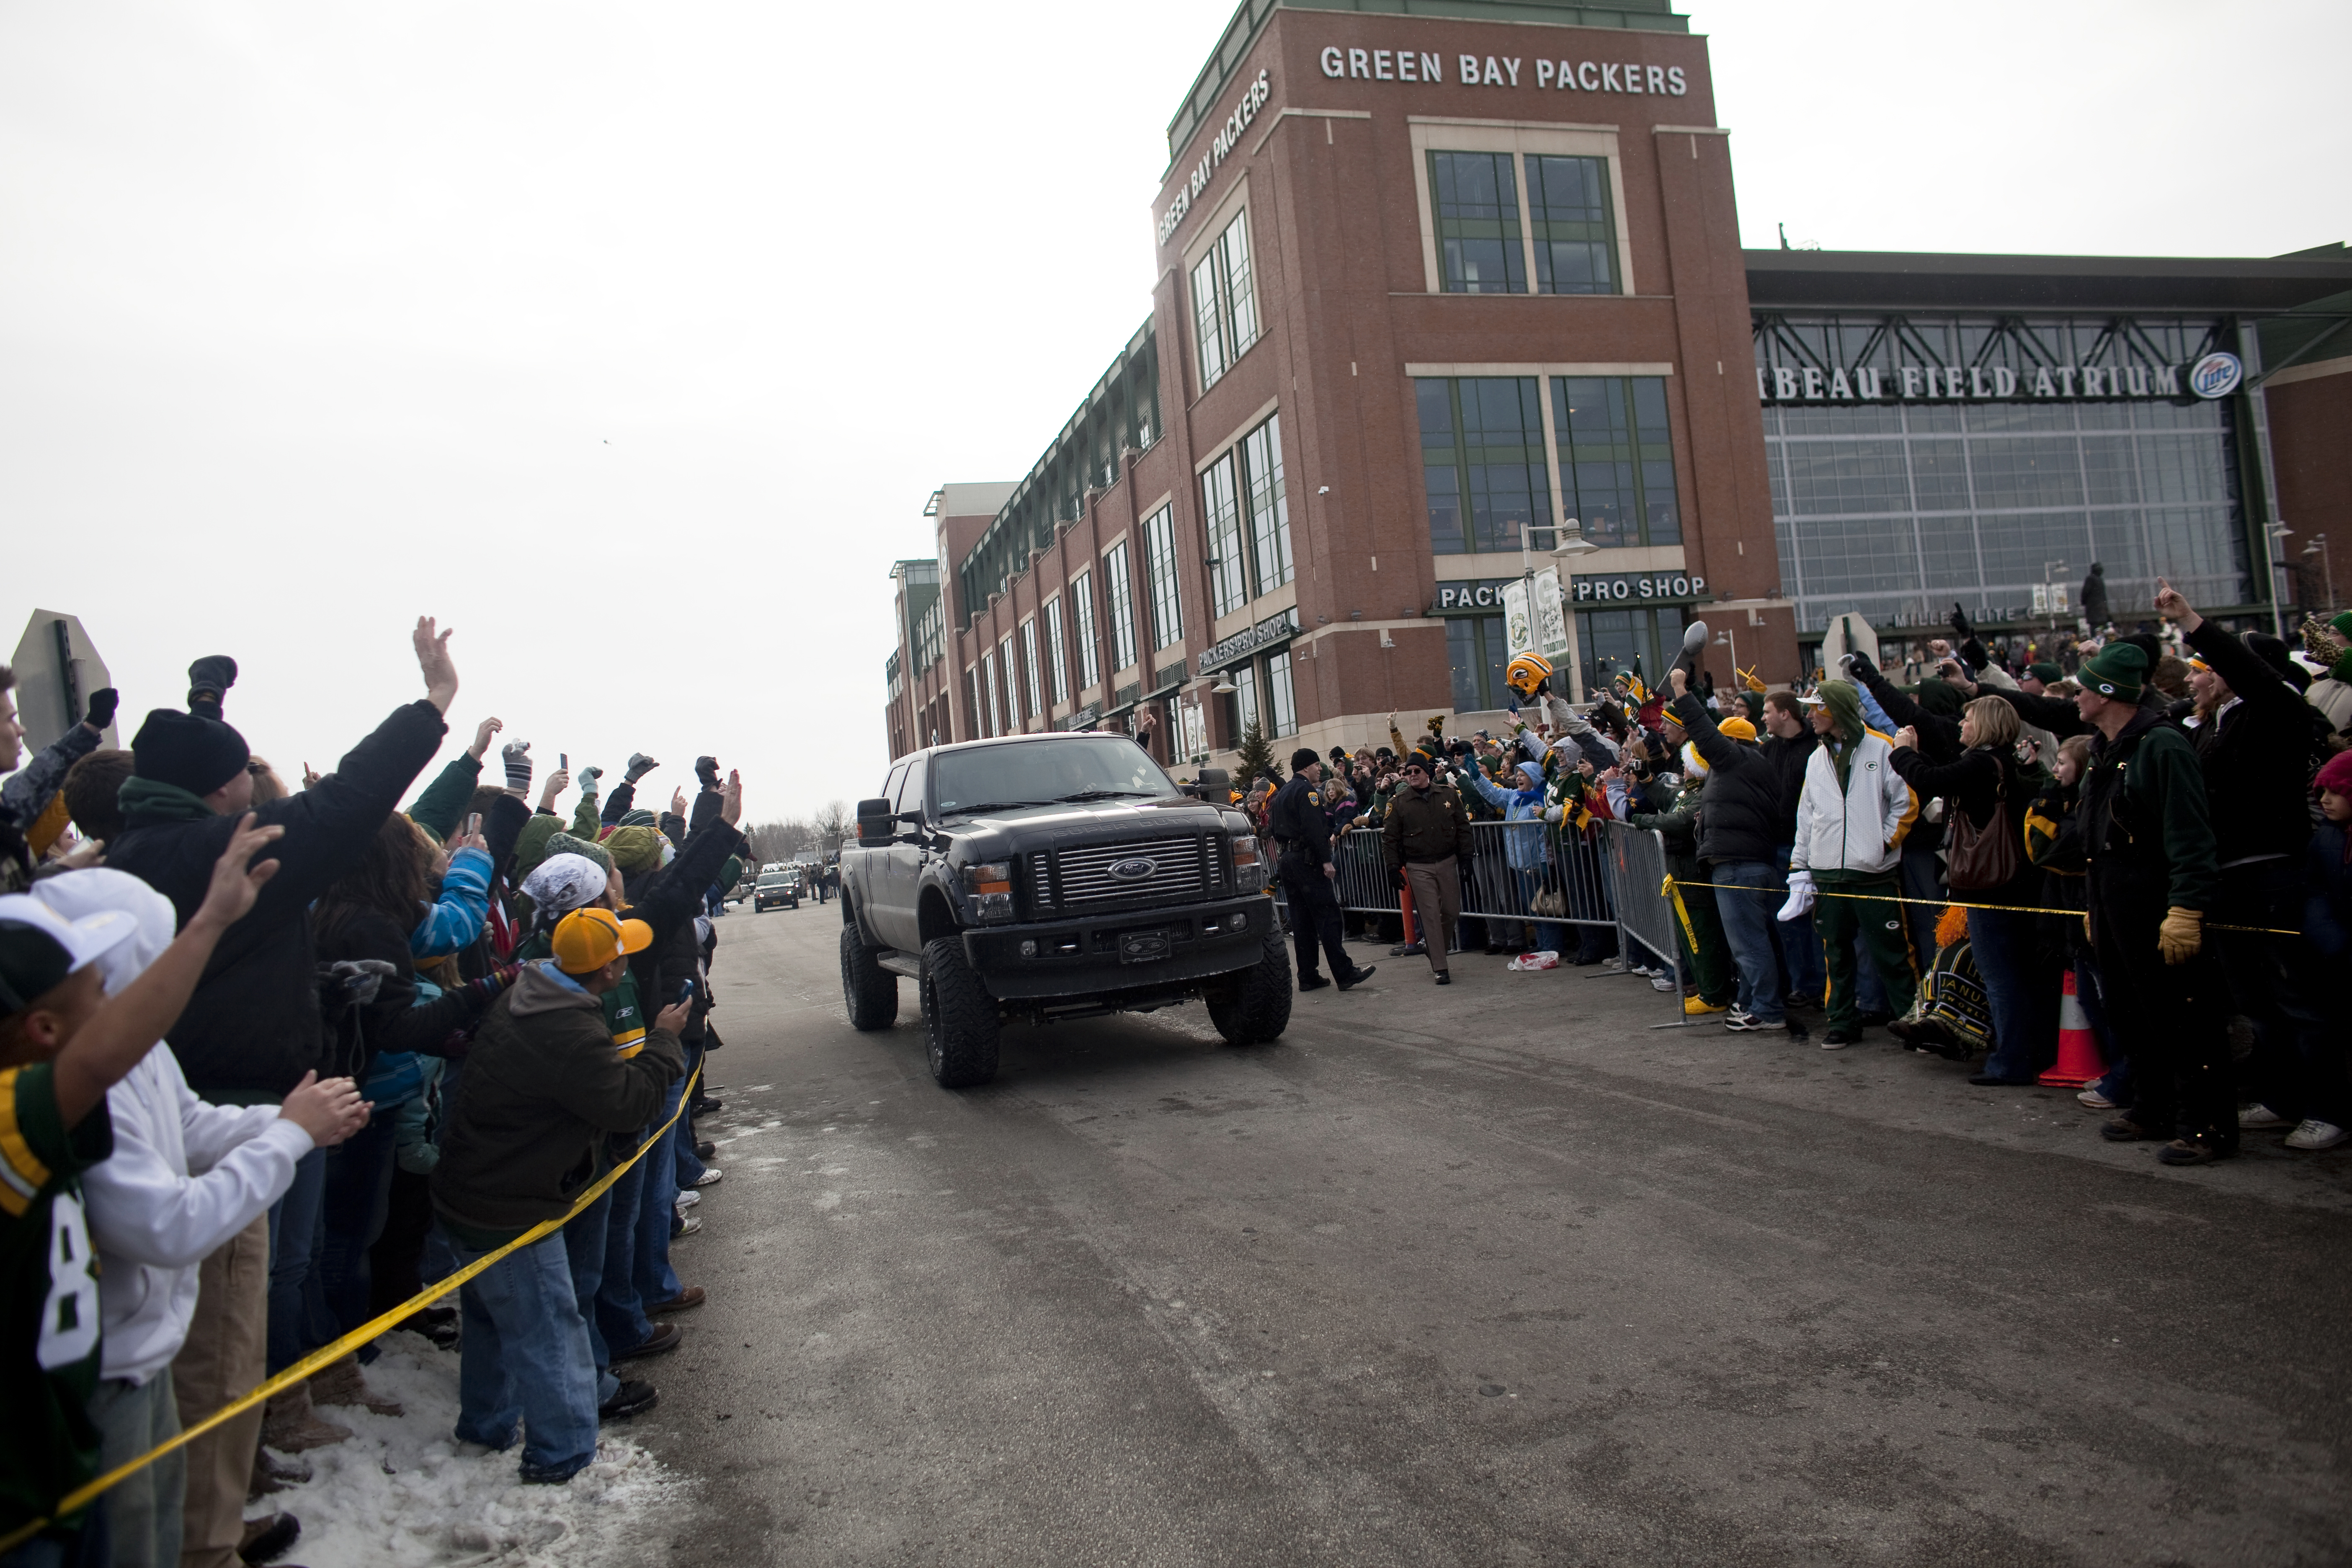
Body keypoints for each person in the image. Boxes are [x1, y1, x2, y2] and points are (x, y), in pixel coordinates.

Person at [101, 624, 458, 1488]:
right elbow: (344, 810)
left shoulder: (143, 852)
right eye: (238, 782)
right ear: (220, 792)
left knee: (282, 1271)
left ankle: (276, 1415)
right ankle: (226, 1488)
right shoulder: (204, 853)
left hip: (240, 1094)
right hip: (226, 1107)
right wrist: (432, 705)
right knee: (233, 1304)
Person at [34, 869, 370, 1568]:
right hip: (104, 1363)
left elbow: (189, 1121)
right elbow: (164, 1225)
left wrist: (279, 1119)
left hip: (146, 1348)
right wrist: (288, 1138)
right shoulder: (82, 1075)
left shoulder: (139, 1046)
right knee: (128, 1542)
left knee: (159, 1524)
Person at [0, 816, 281, 1568]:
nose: (124, 1001)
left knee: (148, 1532)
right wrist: (213, 920)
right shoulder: (21, 1108)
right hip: (51, 1418)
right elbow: (162, 1222)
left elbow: (165, 1100)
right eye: (104, 985)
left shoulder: (72, 1084)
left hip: (96, 1379)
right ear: (44, 1026)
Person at [429, 906, 689, 1484]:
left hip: (473, 1192)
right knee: (550, 1326)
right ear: (607, 970)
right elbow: (624, 1103)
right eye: (622, 954)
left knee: (494, 1321)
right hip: (509, 1208)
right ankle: (562, 1456)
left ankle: (488, 1424)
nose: (627, 962)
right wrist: (665, 1044)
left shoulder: (532, 994)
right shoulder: (567, 1029)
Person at [2151, 582, 2342, 1151]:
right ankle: (2284, 1097)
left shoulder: (2275, 711)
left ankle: (2331, 1106)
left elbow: (2252, 672)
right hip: (2225, 876)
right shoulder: (2209, 723)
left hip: (2271, 873)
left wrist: (2191, 620)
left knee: (2297, 998)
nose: (2194, 677)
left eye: (2204, 667)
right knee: (2255, 1003)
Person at [2072, 642, 2231, 1166]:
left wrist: (2186, 907)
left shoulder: (2162, 746)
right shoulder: (2104, 748)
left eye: (2084, 687)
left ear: (2108, 694)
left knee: (2182, 1018)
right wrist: (2096, 907)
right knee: (2130, 1010)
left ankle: (2205, 1126)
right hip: (2112, 897)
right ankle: (2152, 1105)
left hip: (2155, 899)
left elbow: (2190, 835)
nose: (2076, 696)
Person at [1886, 698, 2051, 1084]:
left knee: (1999, 975)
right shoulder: (2007, 762)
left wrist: (1902, 753)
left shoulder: (1981, 763)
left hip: (1989, 885)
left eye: (1969, 718)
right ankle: (2030, 1051)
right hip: (2017, 882)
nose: (1961, 724)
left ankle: (2010, 1061)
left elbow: (1929, 779)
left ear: (1988, 725)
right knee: (2014, 973)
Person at [1782, 680, 1919, 1047]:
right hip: (1829, 875)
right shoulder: (1816, 758)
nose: (1809, 715)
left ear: (1836, 710)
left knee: (1893, 955)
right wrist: (1801, 868)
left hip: (1874, 875)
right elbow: (1807, 816)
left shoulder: (1884, 748)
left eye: (1816, 708)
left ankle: (1913, 1022)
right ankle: (1842, 1022)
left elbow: (1906, 803)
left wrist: (1882, 844)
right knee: (1836, 956)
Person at [1667, 670, 1800, 1037]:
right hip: (1749, 862)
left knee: (1749, 944)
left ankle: (1767, 1009)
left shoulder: (1736, 760)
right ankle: (1757, 1001)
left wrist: (1681, 690)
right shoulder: (1753, 767)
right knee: (1756, 941)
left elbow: (1703, 730)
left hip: (1739, 866)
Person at [1265, 750, 1373, 993]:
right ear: (1305, 767)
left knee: (1301, 921)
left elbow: (1273, 828)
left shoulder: (1282, 794)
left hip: (1288, 860)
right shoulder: (1308, 792)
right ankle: (1344, 973)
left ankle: (1308, 975)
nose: (1319, 770)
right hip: (1307, 861)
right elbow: (1314, 828)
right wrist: (1326, 861)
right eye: (1315, 765)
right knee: (1328, 915)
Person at [1380, 756, 1469, 984]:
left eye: (1417, 771)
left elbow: (1463, 827)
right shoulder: (1399, 802)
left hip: (1447, 860)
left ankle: (1433, 946)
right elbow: (1390, 838)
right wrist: (1393, 868)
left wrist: (1467, 858)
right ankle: (1441, 967)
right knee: (1429, 916)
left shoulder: (1448, 795)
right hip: (1418, 865)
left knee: (1451, 910)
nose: (1412, 775)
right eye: (1408, 772)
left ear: (1427, 773)